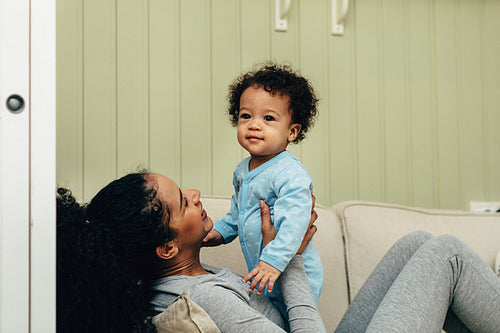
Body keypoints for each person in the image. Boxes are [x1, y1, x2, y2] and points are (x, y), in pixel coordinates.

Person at [57, 171, 500, 332]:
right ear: (167, 245)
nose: (195, 194)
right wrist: (285, 259)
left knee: (416, 246)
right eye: (182, 202)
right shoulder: (203, 301)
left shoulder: (179, 281)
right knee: (448, 255)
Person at [202, 62, 324, 312]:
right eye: (246, 116)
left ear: (292, 131)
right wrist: (218, 233)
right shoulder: (242, 170)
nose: (254, 125)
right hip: (265, 274)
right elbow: (239, 214)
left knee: (295, 319)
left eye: (268, 118)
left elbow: (296, 221)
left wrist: (273, 261)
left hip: (289, 271)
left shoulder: (289, 172)